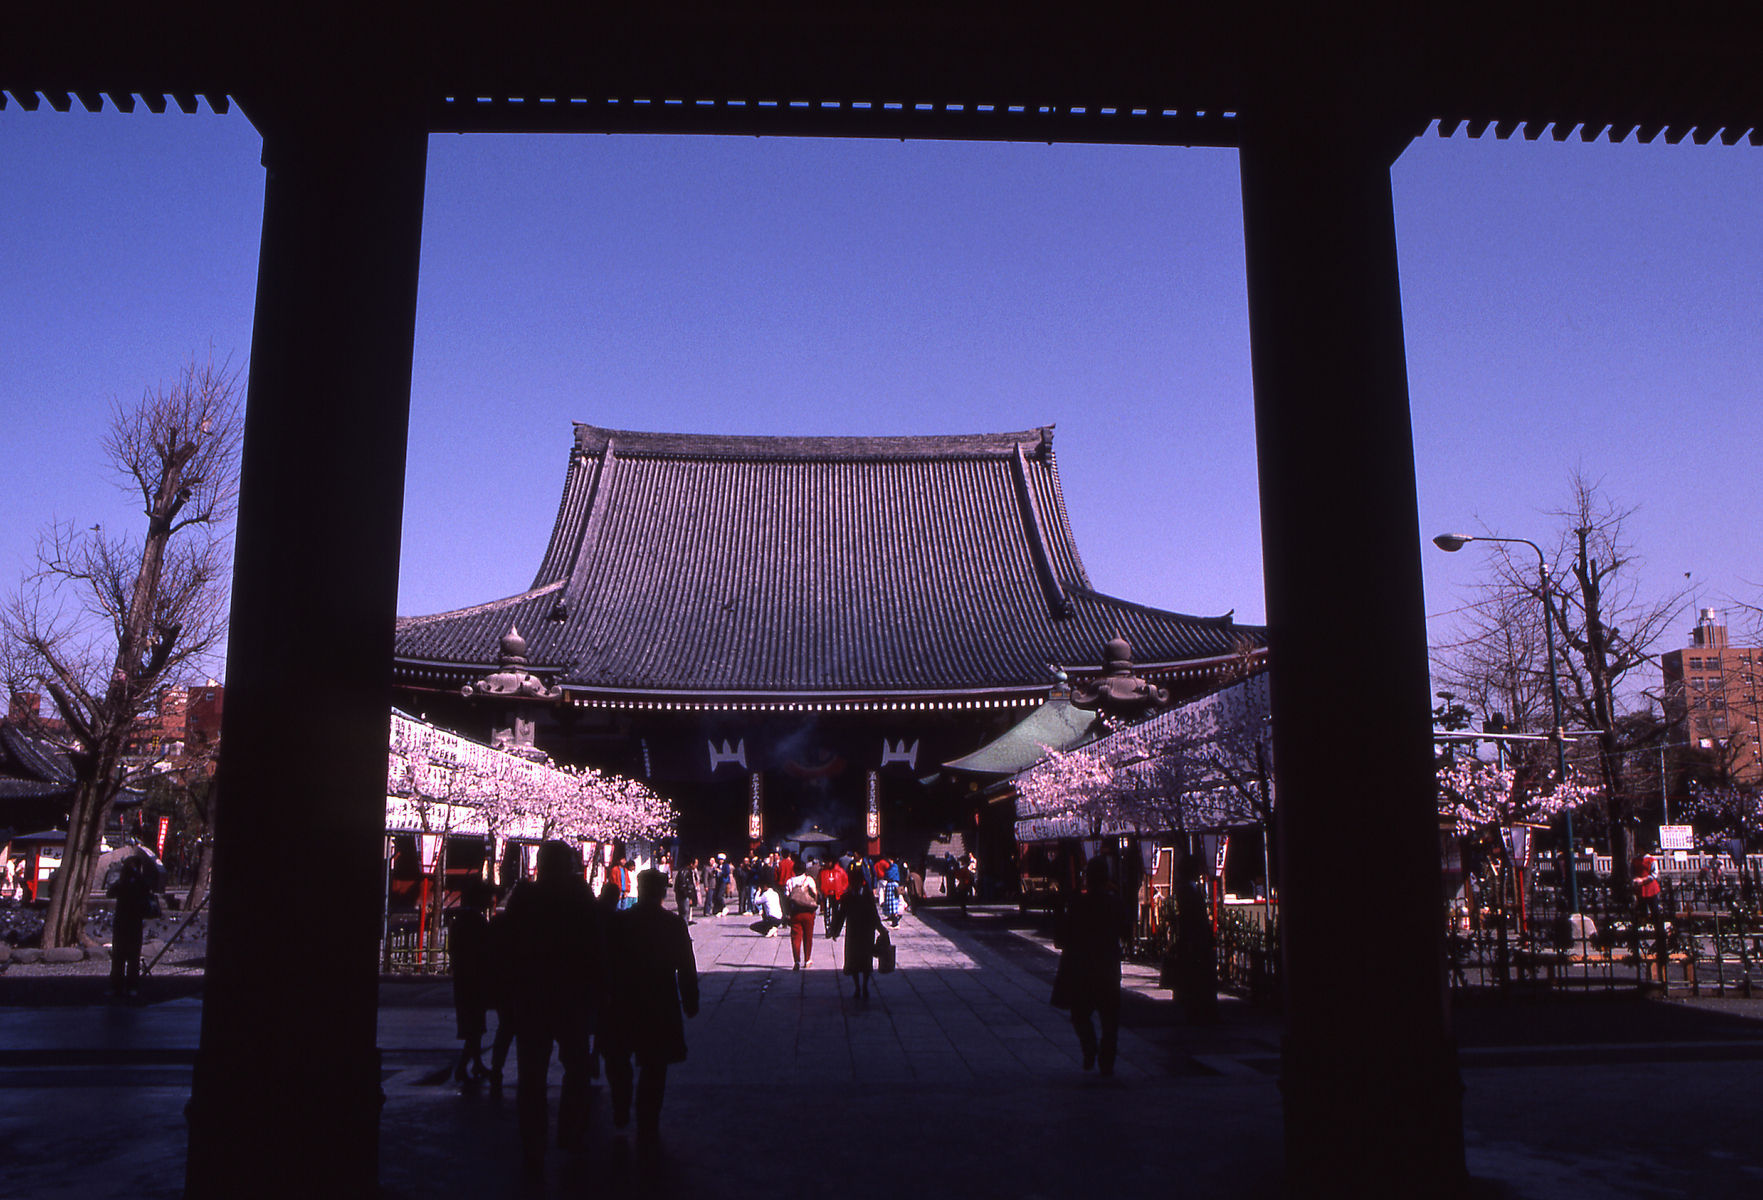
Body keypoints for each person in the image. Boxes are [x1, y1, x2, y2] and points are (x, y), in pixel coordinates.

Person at [499, 840, 605, 1174]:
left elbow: (508, 946)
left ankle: (534, 1140)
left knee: (531, 1073)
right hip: (572, 994)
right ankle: (570, 1131)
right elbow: (596, 946)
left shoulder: (524, 897)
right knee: (576, 1067)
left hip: (533, 995)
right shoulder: (581, 897)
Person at [599, 869, 699, 1143]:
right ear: (663, 891)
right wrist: (690, 998)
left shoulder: (620, 922)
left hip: (622, 999)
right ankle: (647, 1120)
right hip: (659, 998)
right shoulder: (673, 924)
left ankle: (621, 1103)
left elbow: (604, 962)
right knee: (655, 1065)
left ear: (640, 890)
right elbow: (686, 966)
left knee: (618, 1057)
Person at [1051, 858, 1127, 1073]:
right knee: (1110, 1020)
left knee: (1080, 1015)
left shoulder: (1078, 903)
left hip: (1081, 969)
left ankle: (1090, 1047)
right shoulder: (1116, 903)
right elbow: (1126, 932)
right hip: (1108, 968)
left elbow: (1062, 937)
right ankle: (1106, 1060)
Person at [449, 875, 494, 1084]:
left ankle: (475, 1063)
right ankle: (464, 1066)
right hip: (473, 978)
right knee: (474, 1025)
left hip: (465, 977)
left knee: (474, 1025)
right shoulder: (475, 921)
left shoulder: (462, 920)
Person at [1173, 854, 1219, 1025]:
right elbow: (1194, 917)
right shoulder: (1188, 890)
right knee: (1200, 977)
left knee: (1196, 978)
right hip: (1196, 939)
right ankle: (1201, 1012)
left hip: (1194, 938)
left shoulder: (1186, 889)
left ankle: (1197, 1010)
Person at [107, 855, 155, 999]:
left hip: (122, 921)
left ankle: (117, 986)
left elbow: (110, 893)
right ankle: (132, 986)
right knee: (133, 957)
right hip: (135, 921)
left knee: (119, 957)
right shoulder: (141, 882)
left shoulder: (122, 882)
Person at [841, 877, 882, 1001]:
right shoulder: (847, 896)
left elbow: (874, 913)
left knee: (866, 961)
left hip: (866, 932)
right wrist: (835, 930)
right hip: (853, 932)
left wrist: (880, 928)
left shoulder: (867, 895)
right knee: (853, 961)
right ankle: (857, 987)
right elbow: (841, 913)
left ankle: (864, 986)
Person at [784, 862, 819, 968]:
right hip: (808, 912)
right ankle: (807, 959)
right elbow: (815, 893)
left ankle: (797, 961)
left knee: (796, 937)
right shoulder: (809, 880)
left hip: (795, 913)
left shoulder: (790, 881)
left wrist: (788, 912)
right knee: (808, 936)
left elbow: (787, 897)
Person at [818, 856, 848, 938]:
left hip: (837, 894)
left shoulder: (840, 871)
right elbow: (819, 881)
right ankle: (828, 929)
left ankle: (834, 929)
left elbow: (845, 882)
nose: (828, 864)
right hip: (826, 894)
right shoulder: (822, 871)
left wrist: (842, 890)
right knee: (827, 912)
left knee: (836, 912)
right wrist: (821, 890)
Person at [673, 859, 697, 925]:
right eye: (695, 863)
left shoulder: (686, 871)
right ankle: (684, 929)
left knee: (684, 914)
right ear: (691, 864)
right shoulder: (685, 872)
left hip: (682, 895)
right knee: (684, 914)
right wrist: (689, 896)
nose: (696, 865)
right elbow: (684, 886)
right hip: (684, 896)